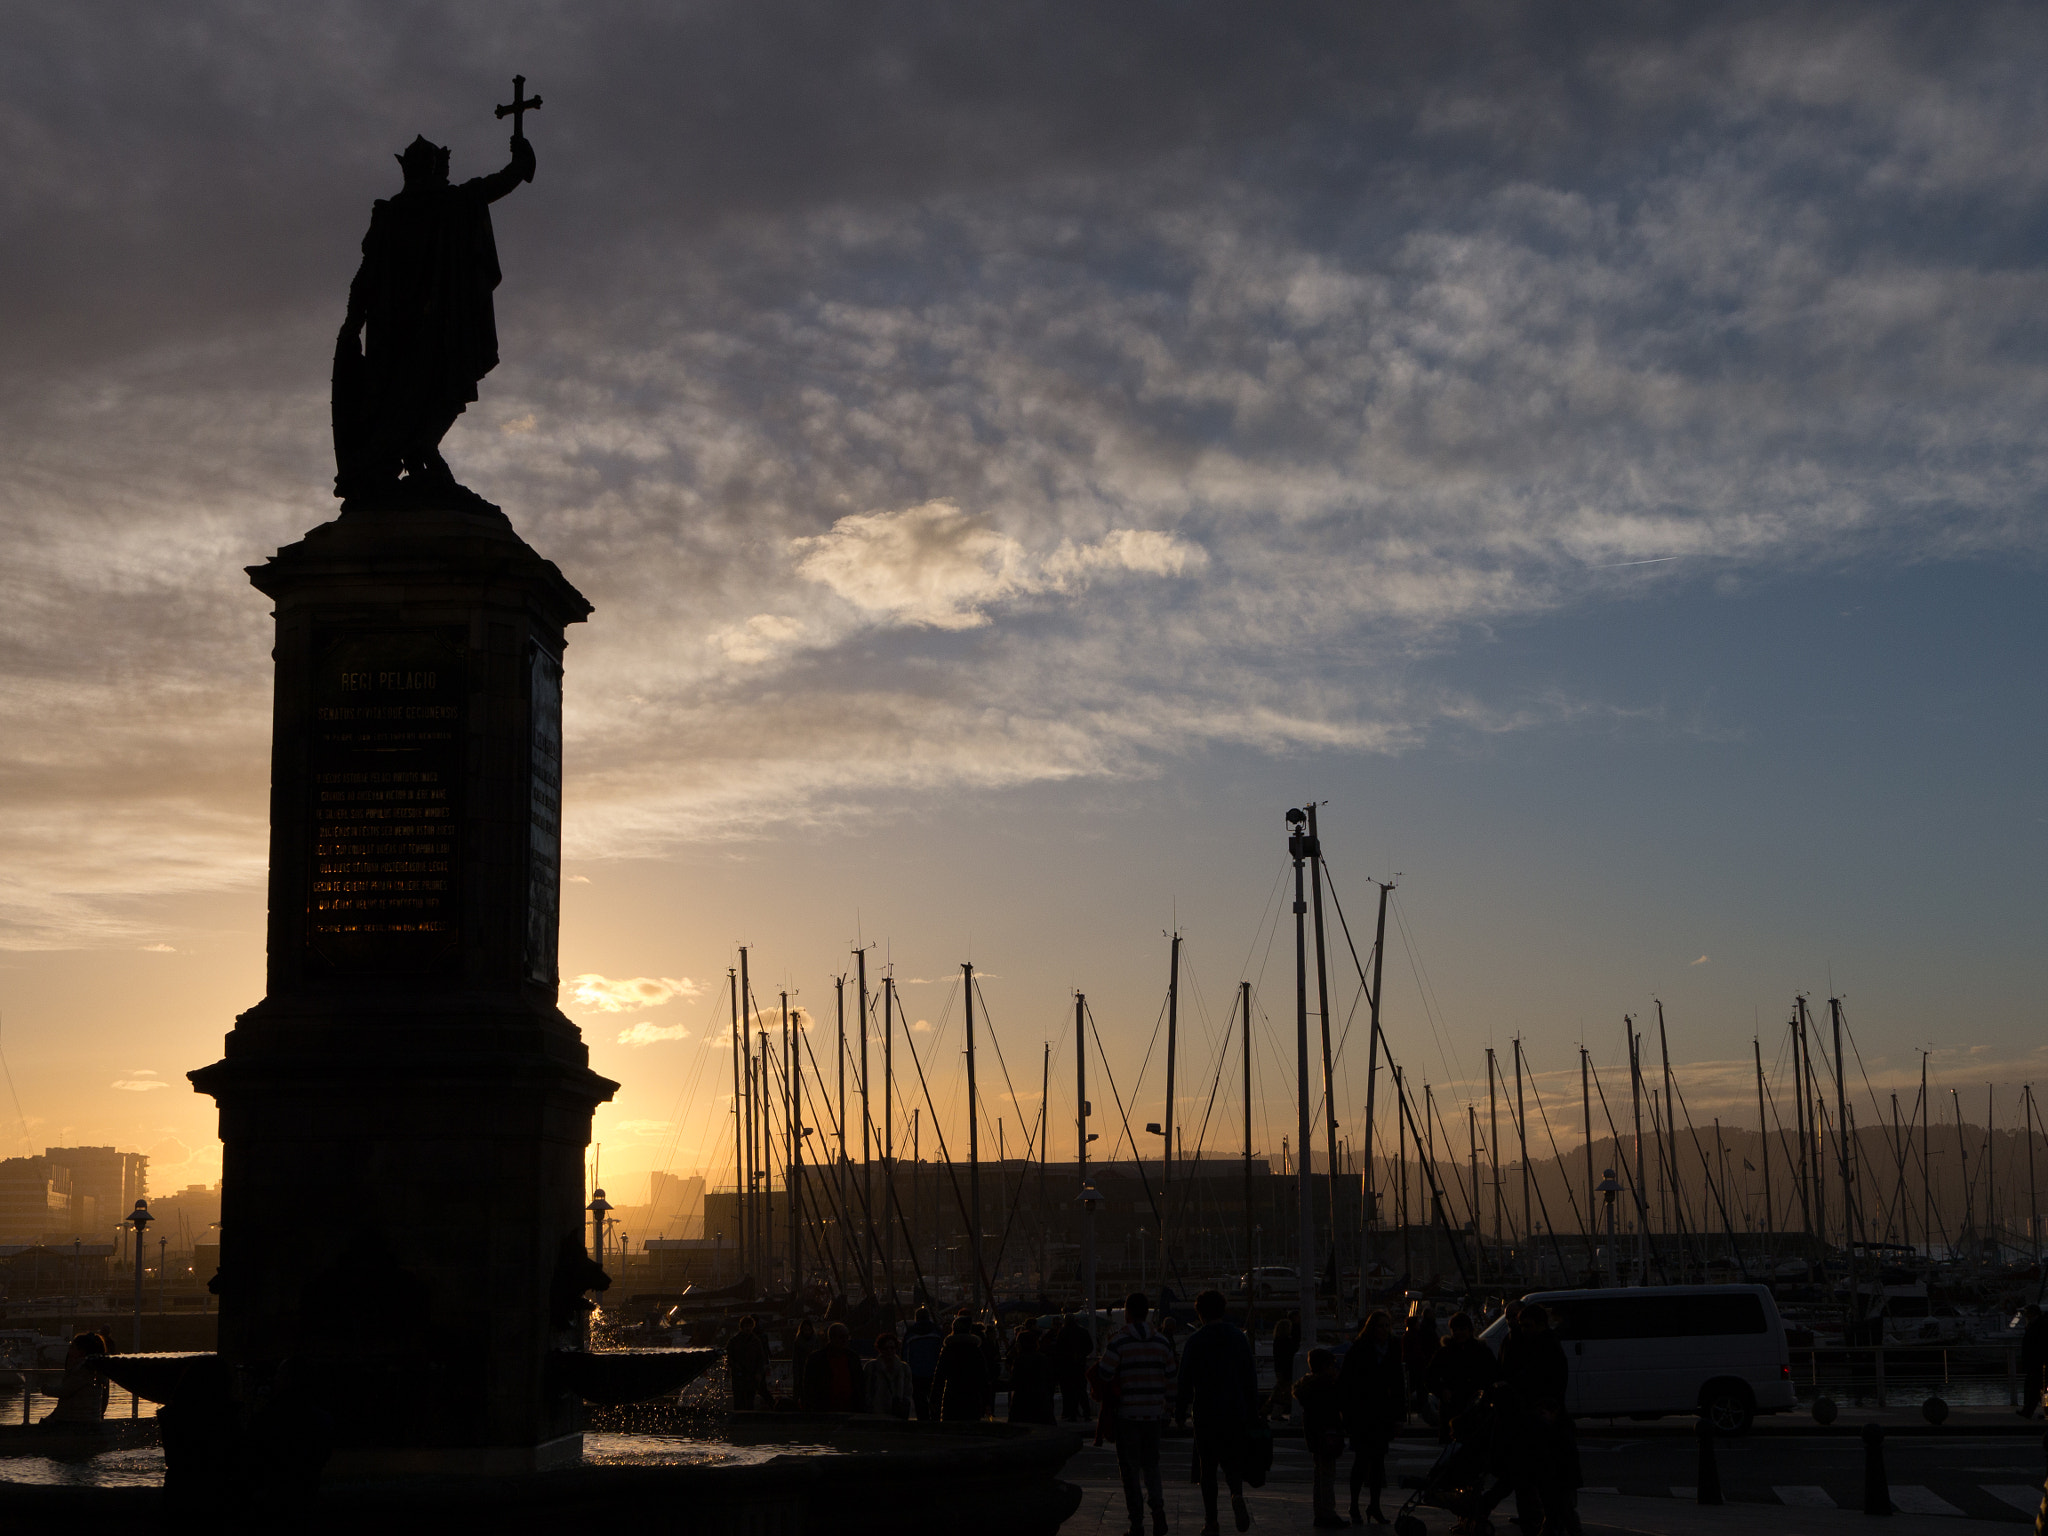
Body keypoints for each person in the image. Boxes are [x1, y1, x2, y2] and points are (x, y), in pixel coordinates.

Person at [333, 129, 538, 504]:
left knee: (414, 396)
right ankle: (412, 454)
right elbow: (499, 183)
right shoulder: (437, 205)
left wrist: (352, 320)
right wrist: (521, 162)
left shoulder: (408, 211)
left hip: (401, 332)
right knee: (427, 395)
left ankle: (413, 453)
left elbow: (365, 274)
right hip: (423, 331)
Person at [1174, 1288, 1257, 1536]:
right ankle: (1236, 1494)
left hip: (1206, 1411)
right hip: (1235, 1410)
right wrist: (1252, 1411)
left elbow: (1184, 1379)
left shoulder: (1196, 1340)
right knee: (1233, 1461)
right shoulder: (1238, 1338)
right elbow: (1249, 1378)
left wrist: (1180, 1412)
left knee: (1207, 1468)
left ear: (1200, 1314)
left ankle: (1211, 1521)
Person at [1097, 1291, 1181, 1536]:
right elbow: (1171, 1379)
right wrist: (1171, 1409)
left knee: (1130, 1471)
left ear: (1128, 1313)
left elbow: (1103, 1373)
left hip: (1127, 1415)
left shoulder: (1119, 1342)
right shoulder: (1162, 1342)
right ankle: (1158, 1510)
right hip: (1154, 1415)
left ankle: (1137, 1523)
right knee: (1152, 1467)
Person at [1340, 1310, 1405, 1525]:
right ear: (1371, 1328)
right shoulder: (1358, 1350)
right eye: (1380, 1326)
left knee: (1378, 1463)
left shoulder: (1394, 1349)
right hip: (1362, 1413)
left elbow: (1398, 1384)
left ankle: (1374, 1505)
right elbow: (1347, 1385)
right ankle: (1354, 1504)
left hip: (1382, 1413)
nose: (1384, 1330)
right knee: (1361, 1461)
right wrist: (1347, 1416)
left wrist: (1398, 1416)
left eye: (1387, 1326)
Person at [1296, 1346, 1347, 1529]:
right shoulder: (1325, 1387)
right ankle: (1327, 1512)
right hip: (1327, 1435)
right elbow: (1334, 1408)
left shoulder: (1309, 1386)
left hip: (1315, 1435)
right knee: (1327, 1476)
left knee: (1320, 1475)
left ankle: (1321, 1512)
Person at [1424, 1311, 1498, 1438]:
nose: (1458, 1333)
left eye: (1462, 1329)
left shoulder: (1482, 1352)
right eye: (1455, 1330)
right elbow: (1430, 1377)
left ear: (1470, 1330)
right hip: (1452, 1408)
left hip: (1476, 1408)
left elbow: (1493, 1377)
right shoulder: (1444, 1353)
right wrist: (1442, 1391)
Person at [39, 1331, 110, 1429]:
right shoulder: (100, 1371)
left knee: (44, 1426)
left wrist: (45, 1389)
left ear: (81, 1352)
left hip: (72, 1420)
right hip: (92, 1419)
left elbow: (65, 1391)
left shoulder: (82, 1370)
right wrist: (99, 1415)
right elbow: (105, 1398)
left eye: (72, 1347)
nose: (69, 1350)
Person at [932, 1311, 992, 1421]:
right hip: (972, 1397)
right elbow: (983, 1377)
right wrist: (987, 1401)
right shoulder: (975, 1350)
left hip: (952, 1395)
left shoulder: (948, 1349)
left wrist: (934, 1400)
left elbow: (939, 1376)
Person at [800, 1321, 866, 1413]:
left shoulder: (853, 1358)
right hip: (824, 1411)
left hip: (850, 1409)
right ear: (831, 1338)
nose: (845, 1340)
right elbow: (809, 1387)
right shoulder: (816, 1359)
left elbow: (860, 1384)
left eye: (847, 1337)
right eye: (842, 1337)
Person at [1006, 1328, 1058, 1424]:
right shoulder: (1043, 1359)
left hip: (1023, 1403)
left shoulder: (1020, 1360)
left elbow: (1015, 1382)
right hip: (1041, 1401)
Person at [902, 1305, 944, 1420]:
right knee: (936, 1400)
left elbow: (905, 1355)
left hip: (916, 1373)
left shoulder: (910, 1333)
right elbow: (942, 1351)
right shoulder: (937, 1332)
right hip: (934, 1372)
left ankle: (923, 1421)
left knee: (920, 1401)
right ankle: (935, 1420)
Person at [1054, 1311, 1094, 1421]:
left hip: (1066, 1366)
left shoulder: (1062, 1332)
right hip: (1080, 1364)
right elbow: (1090, 1347)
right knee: (1081, 1390)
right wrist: (1082, 1354)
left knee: (1069, 1391)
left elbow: (1057, 1349)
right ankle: (1086, 1413)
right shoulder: (1083, 1331)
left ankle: (1071, 1413)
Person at [865, 1331, 914, 1418]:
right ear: (880, 1349)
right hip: (877, 1412)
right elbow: (866, 1389)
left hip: (897, 1412)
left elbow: (908, 1391)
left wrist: (904, 1404)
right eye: (885, 1348)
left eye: (892, 1348)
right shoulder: (871, 1367)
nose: (889, 1351)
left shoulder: (904, 1368)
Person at [725, 1314, 769, 1411]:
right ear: (742, 1327)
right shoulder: (734, 1341)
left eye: (750, 1326)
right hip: (739, 1376)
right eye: (746, 1326)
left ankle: (747, 1419)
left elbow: (760, 1359)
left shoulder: (756, 1341)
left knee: (749, 1400)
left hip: (751, 1376)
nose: (748, 1328)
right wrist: (735, 1366)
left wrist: (758, 1373)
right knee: (739, 1400)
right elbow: (728, 1357)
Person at [1270, 1313, 1300, 1419]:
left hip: (1280, 1369)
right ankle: (1274, 1412)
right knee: (1284, 1392)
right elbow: (1293, 1347)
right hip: (1286, 1370)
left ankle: (1272, 1412)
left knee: (1280, 1391)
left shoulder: (1278, 1341)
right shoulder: (1286, 1341)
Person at [2020, 1304, 2047, 1418]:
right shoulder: (2038, 1323)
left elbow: (2036, 1343)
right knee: (2038, 1388)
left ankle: (2028, 1411)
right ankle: (2030, 1411)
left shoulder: (2038, 1325)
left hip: (2037, 1361)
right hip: (2037, 1361)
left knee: (2035, 1388)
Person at [791, 1317, 822, 1394]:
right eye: (805, 1330)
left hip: (813, 1372)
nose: (807, 1332)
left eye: (808, 1330)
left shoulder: (815, 1341)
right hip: (801, 1372)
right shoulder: (798, 1342)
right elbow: (795, 1360)